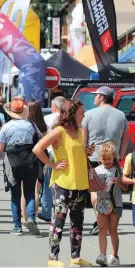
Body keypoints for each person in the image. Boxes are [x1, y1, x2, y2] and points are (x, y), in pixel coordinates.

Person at [33, 99, 92, 268]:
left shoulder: (79, 131)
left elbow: (76, 153)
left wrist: (86, 151)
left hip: (80, 183)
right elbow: (37, 148)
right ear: (72, 114)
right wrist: (52, 165)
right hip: (62, 183)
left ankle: (75, 257)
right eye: (81, 112)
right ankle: (53, 258)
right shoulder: (59, 131)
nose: (84, 115)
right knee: (58, 222)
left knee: (77, 223)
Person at [81, 86, 129, 235]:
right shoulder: (121, 115)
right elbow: (125, 137)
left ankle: (100, 218)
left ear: (102, 97)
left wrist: (84, 155)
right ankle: (107, 217)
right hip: (112, 157)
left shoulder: (88, 115)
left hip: (94, 157)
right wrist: (119, 154)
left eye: (96, 95)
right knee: (110, 189)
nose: (94, 97)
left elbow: (84, 139)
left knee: (95, 190)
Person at [0, 98, 41, 237]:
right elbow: (40, 141)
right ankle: (31, 218)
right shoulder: (31, 125)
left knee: (15, 195)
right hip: (29, 161)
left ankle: (17, 226)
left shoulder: (6, 127)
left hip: (12, 161)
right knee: (29, 193)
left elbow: (0, 148)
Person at [94, 142, 126, 267]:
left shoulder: (118, 171)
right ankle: (102, 255)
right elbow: (90, 188)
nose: (106, 161)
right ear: (99, 158)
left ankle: (114, 255)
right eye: (104, 158)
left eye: (109, 158)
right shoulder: (96, 170)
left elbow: (125, 188)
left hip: (116, 204)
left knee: (113, 230)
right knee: (102, 229)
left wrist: (118, 182)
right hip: (102, 204)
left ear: (113, 157)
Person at [38, 96, 66, 223]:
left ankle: (46, 212)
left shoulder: (47, 118)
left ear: (54, 106)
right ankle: (60, 210)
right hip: (64, 153)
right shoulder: (67, 119)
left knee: (48, 183)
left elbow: (41, 137)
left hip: (50, 153)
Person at [22, 99, 47, 226]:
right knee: (36, 190)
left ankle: (25, 219)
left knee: (24, 191)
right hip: (40, 159)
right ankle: (33, 217)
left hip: (26, 158)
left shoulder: (25, 124)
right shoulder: (43, 125)